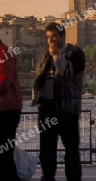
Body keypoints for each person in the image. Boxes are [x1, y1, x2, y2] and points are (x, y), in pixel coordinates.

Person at [31, 22, 85, 181]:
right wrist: (38, 101)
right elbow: (38, 80)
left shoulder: (76, 53)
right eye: (48, 37)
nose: (51, 40)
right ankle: (48, 176)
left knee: (71, 149)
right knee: (47, 149)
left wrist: (57, 56)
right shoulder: (43, 56)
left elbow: (69, 74)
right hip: (47, 110)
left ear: (62, 36)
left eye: (54, 36)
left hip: (67, 110)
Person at [0, 39, 23, 181]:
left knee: (4, 154)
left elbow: (3, 82)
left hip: (5, 110)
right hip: (8, 109)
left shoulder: (4, 53)